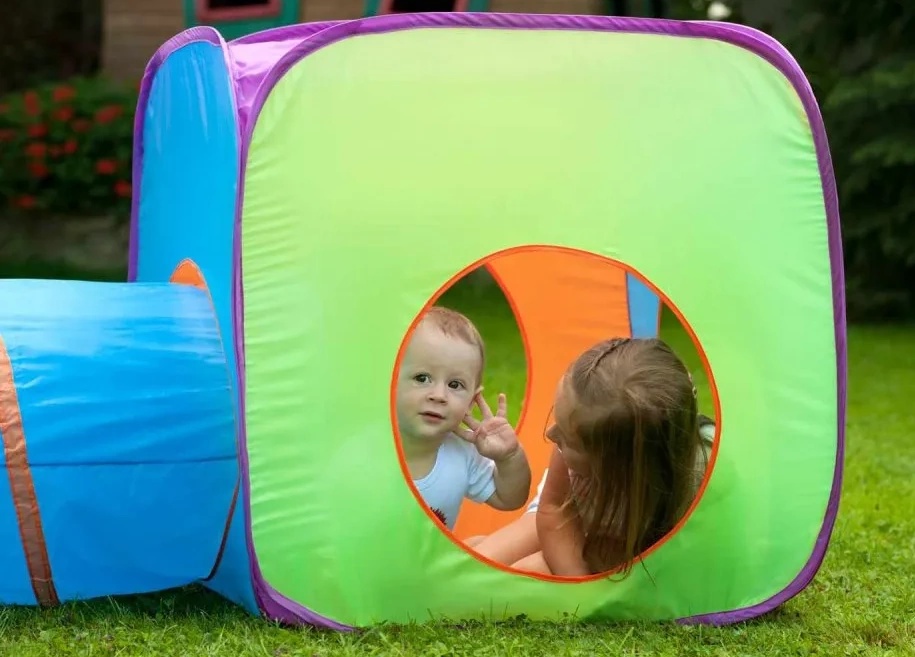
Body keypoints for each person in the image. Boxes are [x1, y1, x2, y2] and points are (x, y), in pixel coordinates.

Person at [472, 337, 714, 577]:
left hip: (633, 540)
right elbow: (554, 509)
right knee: (481, 564)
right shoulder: (581, 425)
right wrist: (577, 581)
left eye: (568, 439)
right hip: (564, 514)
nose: (551, 435)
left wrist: (591, 588)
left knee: (527, 573)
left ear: (617, 465)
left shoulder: (702, 475)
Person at [395, 306, 532, 531]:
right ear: (392, 381)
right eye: (422, 378)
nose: (439, 395)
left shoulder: (463, 455)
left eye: (455, 384)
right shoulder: (365, 448)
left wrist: (509, 456)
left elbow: (510, 498)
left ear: (471, 401)